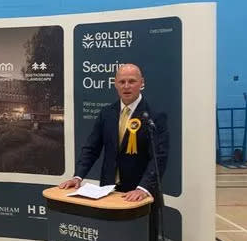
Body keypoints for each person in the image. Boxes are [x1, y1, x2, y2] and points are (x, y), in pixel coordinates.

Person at [58, 63, 168, 199]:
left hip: (139, 194)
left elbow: (159, 157)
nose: (126, 86)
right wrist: (78, 177)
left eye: (132, 81)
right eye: (122, 82)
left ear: (141, 83)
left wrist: (143, 188)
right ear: (115, 84)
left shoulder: (154, 116)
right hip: (108, 192)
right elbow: (91, 149)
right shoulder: (106, 113)